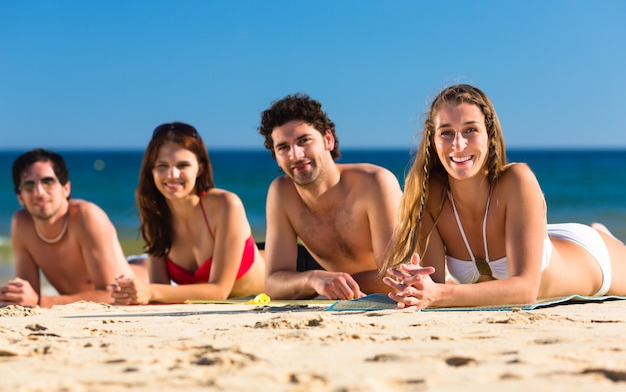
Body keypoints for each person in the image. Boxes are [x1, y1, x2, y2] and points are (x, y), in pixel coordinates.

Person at [382, 84, 626, 310]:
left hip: (594, 258)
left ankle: (601, 232)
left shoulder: (517, 180)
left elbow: (526, 290)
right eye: (446, 133)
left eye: (470, 130)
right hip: (540, 239)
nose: (458, 144)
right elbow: (432, 289)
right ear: (433, 141)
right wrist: (414, 284)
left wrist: (439, 294)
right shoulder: (430, 195)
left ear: (489, 135)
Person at [258, 93, 403, 300]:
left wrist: (335, 284)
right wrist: (314, 279)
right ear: (276, 158)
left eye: (304, 141)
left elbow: (397, 277)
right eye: (283, 147)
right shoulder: (282, 193)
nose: (296, 155)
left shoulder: (374, 182)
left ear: (328, 140)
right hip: (352, 294)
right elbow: (273, 284)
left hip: (438, 279)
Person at [110, 122, 265, 304]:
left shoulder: (226, 204)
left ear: (199, 168)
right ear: (151, 170)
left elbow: (220, 291)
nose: (172, 174)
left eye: (183, 165)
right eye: (162, 166)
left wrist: (150, 292)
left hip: (291, 268)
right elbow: (161, 291)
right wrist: (132, 294)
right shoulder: (156, 214)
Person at [0, 148, 146, 307]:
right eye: (29, 186)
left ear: (66, 188)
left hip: (155, 279)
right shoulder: (21, 224)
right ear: (20, 197)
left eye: (48, 182)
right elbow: (27, 297)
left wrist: (42, 301)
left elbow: (115, 295)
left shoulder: (86, 216)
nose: (39, 192)